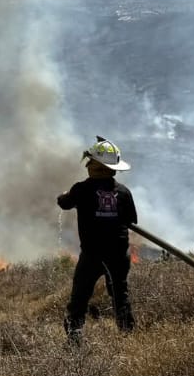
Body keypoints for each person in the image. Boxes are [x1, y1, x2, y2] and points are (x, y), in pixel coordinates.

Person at [56, 136, 138, 342]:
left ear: (93, 165)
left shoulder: (81, 189)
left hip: (92, 255)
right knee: (120, 295)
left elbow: (63, 203)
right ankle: (128, 337)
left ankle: (74, 339)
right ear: (113, 168)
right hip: (119, 255)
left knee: (80, 297)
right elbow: (131, 220)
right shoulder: (124, 192)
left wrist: (64, 194)